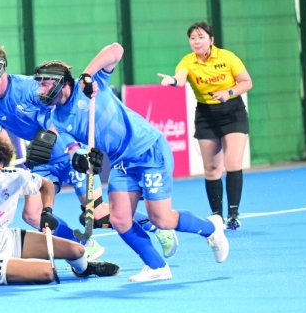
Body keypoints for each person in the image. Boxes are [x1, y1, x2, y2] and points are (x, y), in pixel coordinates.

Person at [33, 46, 229, 283]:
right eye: (39, 84)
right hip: (121, 163)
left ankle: (211, 228)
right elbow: (73, 148)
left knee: (162, 220)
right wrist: (83, 160)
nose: (40, 89)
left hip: (148, 150)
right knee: (120, 219)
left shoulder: (93, 86)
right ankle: (157, 267)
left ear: (62, 83)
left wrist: (87, 74)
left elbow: (116, 49)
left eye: (45, 83)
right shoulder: (56, 118)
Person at [0, 44, 178, 261]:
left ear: (1, 67)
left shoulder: (28, 87)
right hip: (42, 160)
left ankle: (157, 227)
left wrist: (55, 142)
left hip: (69, 152)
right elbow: (4, 145)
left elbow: (57, 113)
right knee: (32, 214)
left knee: (98, 214)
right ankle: (82, 243)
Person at [0, 132, 119, 290]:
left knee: (77, 251)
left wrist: (47, 211)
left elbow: (46, 185)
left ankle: (84, 269)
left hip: (7, 240)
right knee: (47, 272)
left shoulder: (15, 177)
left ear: (0, 164)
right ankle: (12, 270)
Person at [159, 22, 252, 230]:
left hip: (232, 112)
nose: (196, 41)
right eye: (192, 38)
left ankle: (233, 215)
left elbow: (246, 82)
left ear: (211, 40)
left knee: (233, 162)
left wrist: (227, 93)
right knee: (211, 169)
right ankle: (217, 216)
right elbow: (181, 79)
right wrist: (172, 80)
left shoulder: (227, 57)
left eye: (201, 37)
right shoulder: (187, 61)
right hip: (206, 115)